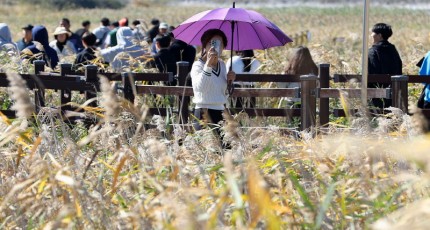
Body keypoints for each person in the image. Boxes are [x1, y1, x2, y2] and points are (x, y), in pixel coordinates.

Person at [190, 29, 236, 146]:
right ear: (204, 46)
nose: (216, 47)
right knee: (205, 151)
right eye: (212, 42)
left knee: (224, 150)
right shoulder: (197, 65)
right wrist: (208, 65)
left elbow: (224, 93)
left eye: (220, 44)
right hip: (203, 112)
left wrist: (230, 81)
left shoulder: (222, 65)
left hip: (220, 112)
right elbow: (201, 88)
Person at [368, 23, 402, 110]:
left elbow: (371, 71)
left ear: (379, 35)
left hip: (376, 92)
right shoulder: (393, 50)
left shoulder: (373, 51)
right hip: (394, 91)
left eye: (373, 33)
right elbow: (399, 68)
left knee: (376, 117)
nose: (371, 35)